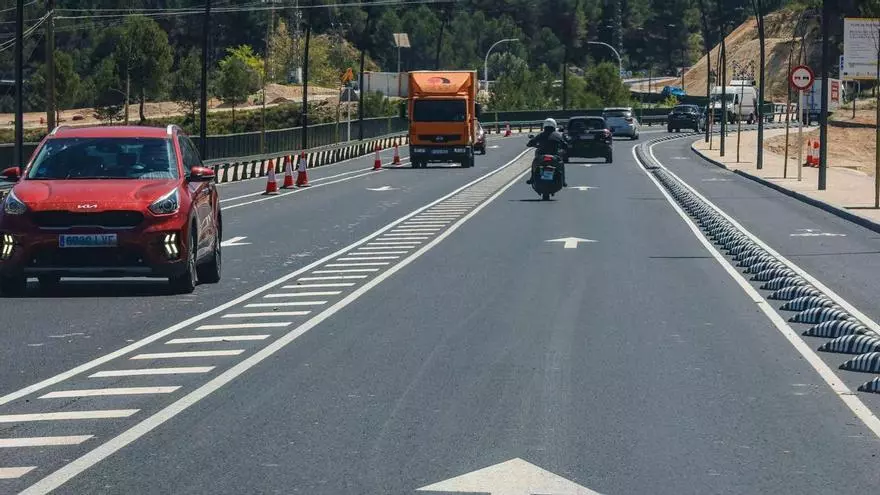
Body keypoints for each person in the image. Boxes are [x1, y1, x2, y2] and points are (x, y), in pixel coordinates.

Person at [526, 118, 568, 187]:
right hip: (554, 156)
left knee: (534, 163)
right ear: (554, 125)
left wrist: (532, 144)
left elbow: (530, 143)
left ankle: (532, 178)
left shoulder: (541, 135)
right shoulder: (557, 135)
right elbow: (565, 145)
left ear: (544, 126)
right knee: (561, 165)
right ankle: (563, 181)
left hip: (541, 156)